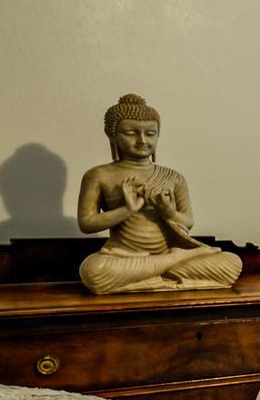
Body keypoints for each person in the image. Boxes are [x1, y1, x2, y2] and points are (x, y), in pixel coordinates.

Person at [76, 94, 242, 294]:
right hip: (123, 258)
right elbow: (86, 223)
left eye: (150, 133)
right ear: (111, 134)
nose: (142, 140)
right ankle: (176, 261)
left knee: (232, 262)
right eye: (131, 133)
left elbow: (187, 222)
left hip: (156, 255)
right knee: (93, 270)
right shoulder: (99, 175)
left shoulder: (173, 177)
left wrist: (169, 213)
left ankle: (155, 274)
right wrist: (127, 209)